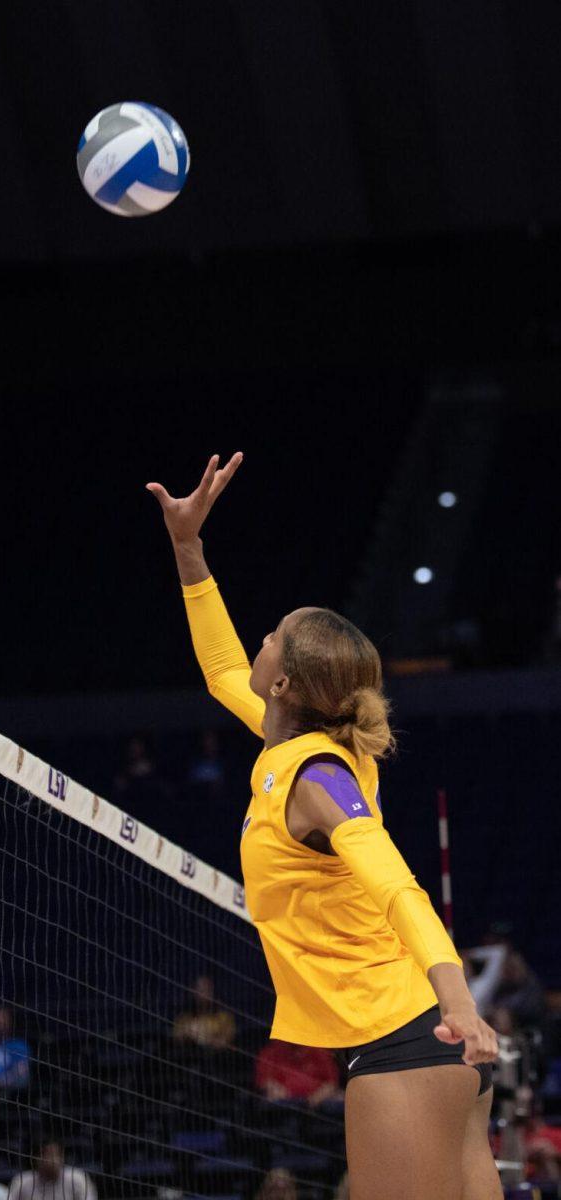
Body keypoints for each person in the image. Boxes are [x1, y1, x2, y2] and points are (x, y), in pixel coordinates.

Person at [148, 452, 500, 1200]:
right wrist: (188, 546)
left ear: (282, 682)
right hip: (427, 1043)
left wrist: (461, 1003)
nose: (260, 641)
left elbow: (397, 884)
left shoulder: (317, 776)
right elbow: (218, 668)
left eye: (272, 635)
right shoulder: (297, 749)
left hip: (412, 1042)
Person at [254, 1040, 342, 1107]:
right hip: (284, 1103)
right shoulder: (271, 1052)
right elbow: (264, 1081)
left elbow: (331, 1083)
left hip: (319, 1101)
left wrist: (315, 1098)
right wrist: (277, 1091)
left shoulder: (320, 1051)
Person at [7, 1142, 96, 1200]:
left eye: (53, 1155)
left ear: (62, 1157)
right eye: (44, 1154)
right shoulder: (22, 1180)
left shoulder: (76, 1178)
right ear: (35, 1158)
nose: (50, 1160)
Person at [172, 975, 236, 1050]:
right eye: (200, 990)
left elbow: (227, 1039)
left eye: (207, 990)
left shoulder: (224, 1017)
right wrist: (186, 1033)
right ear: (194, 992)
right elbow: (176, 1037)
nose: (203, 994)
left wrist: (210, 1040)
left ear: (212, 992)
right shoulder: (184, 1017)